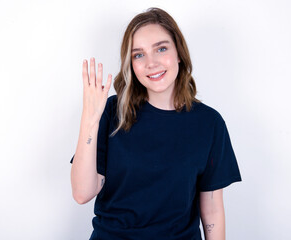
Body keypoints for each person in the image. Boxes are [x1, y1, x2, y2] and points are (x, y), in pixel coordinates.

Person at [70, 7, 241, 240]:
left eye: (161, 49)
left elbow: (212, 211)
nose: (151, 63)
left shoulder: (209, 124)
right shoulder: (112, 111)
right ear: (131, 64)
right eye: (138, 54)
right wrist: (89, 119)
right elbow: (82, 193)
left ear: (179, 53)